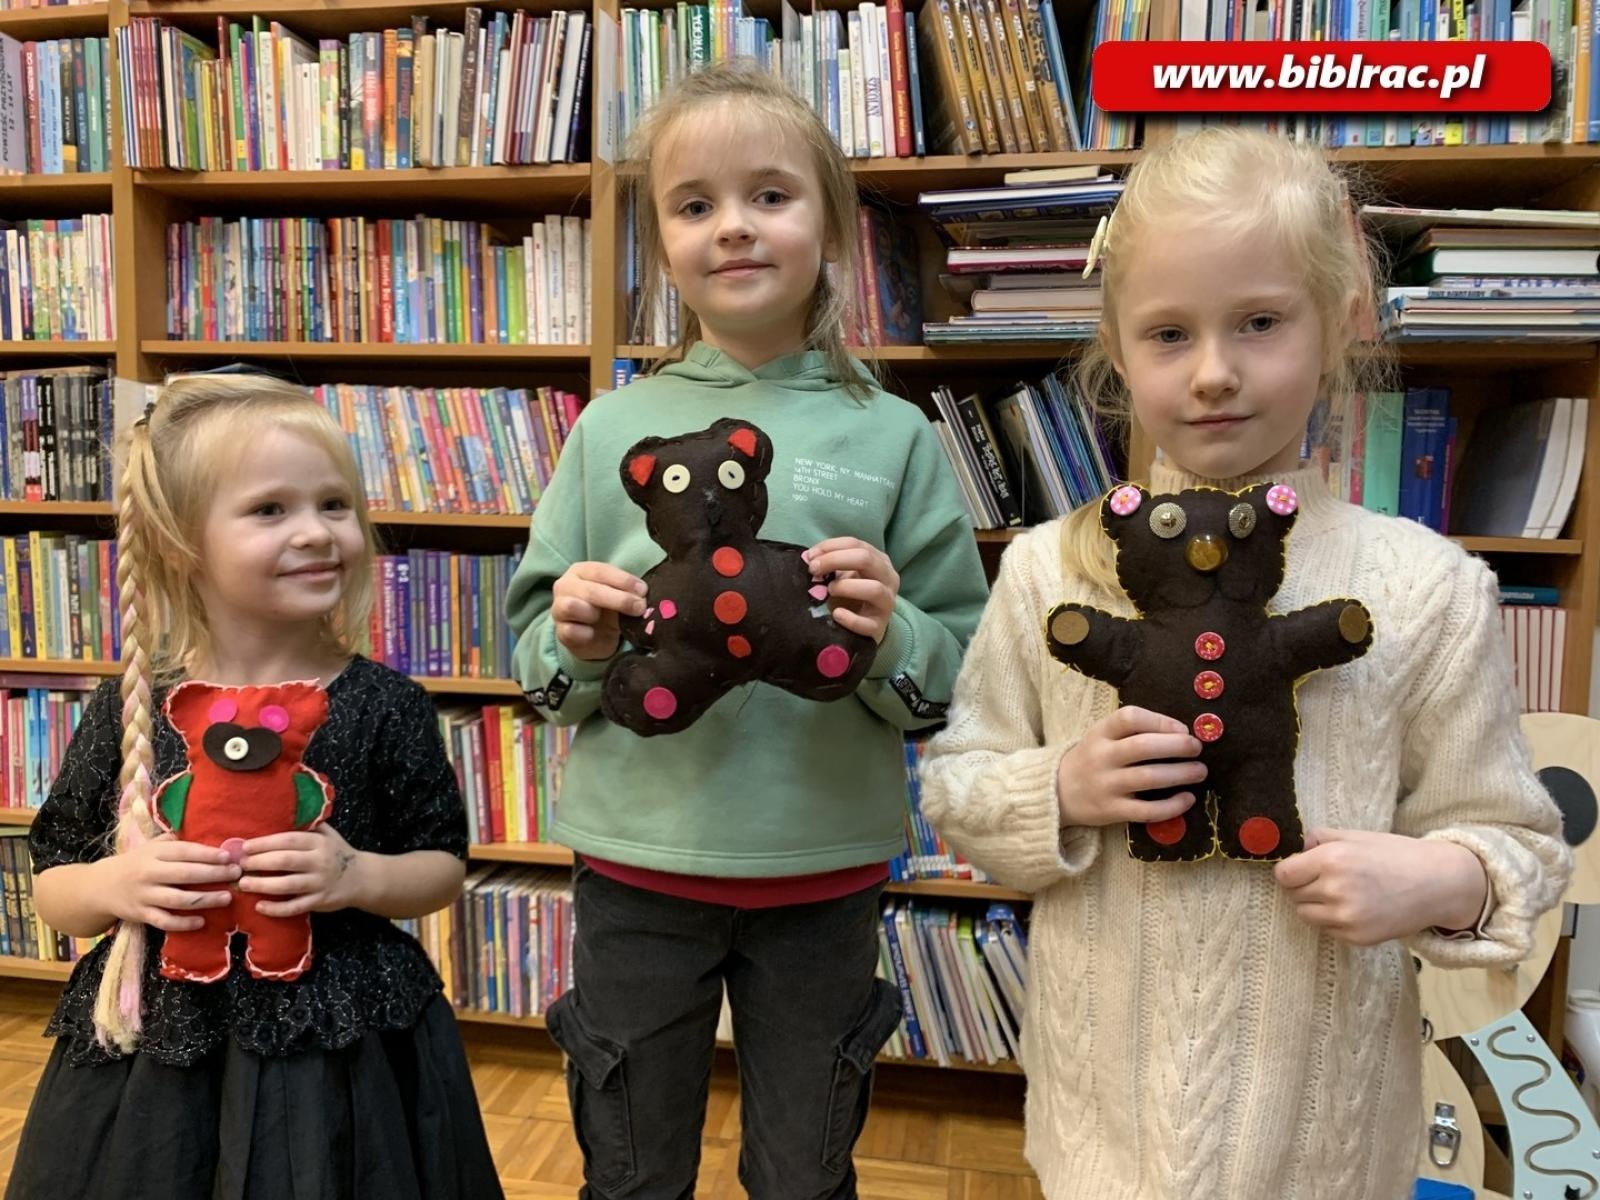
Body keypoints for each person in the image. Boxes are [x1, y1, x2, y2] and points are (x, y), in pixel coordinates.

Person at [918, 127, 1572, 1199]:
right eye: (1168, 333)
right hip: (1099, 1138)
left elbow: (1520, 844)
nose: (1214, 373)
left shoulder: (1426, 586)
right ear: (1117, 349)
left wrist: (1440, 878)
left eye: (1259, 322)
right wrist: (1059, 790)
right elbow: (958, 784)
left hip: (1324, 1147)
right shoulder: (1046, 570)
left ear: (1340, 321)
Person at [505, 64, 989, 1200]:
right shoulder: (608, 430)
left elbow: (956, 666)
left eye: (770, 195)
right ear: (660, 241)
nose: (732, 226)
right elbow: (534, 657)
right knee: (627, 1172)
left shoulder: (896, 435)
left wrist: (889, 633)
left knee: (805, 1173)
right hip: (637, 869)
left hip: (823, 872)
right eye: (693, 204)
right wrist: (570, 642)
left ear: (829, 224)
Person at [8, 372, 501, 1200]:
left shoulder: (384, 705)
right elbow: (56, 885)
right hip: (158, 1057)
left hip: (347, 1056)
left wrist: (359, 877)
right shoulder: (134, 702)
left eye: (334, 504)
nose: (316, 532)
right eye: (271, 510)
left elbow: (441, 867)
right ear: (178, 543)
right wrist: (116, 883)